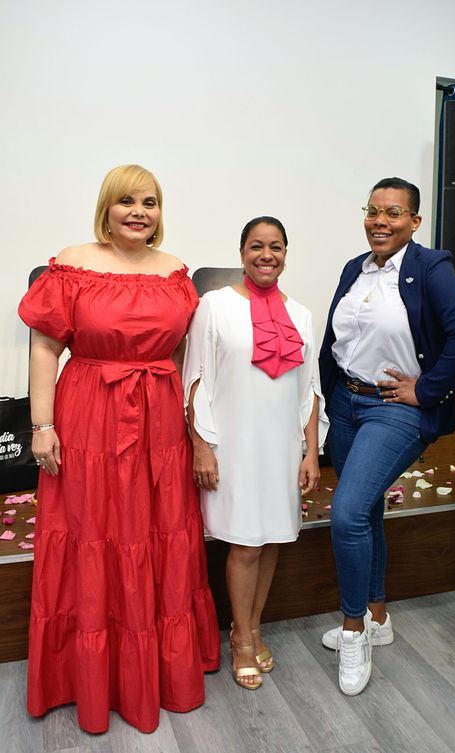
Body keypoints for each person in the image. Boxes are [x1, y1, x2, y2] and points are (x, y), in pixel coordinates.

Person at [18, 165, 220, 734]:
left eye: (150, 202)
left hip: (157, 418)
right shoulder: (72, 263)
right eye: (126, 201)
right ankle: (84, 677)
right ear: (106, 208)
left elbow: (182, 356)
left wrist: (187, 422)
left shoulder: (175, 270)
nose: (139, 212)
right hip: (87, 413)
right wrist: (42, 424)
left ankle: (156, 671)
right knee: (91, 530)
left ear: (161, 211)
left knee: (158, 531)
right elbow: (43, 348)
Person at [319, 177, 455, 695]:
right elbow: (337, 339)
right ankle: (379, 619)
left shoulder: (429, 267)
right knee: (366, 511)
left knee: (346, 513)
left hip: (394, 409)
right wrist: (327, 396)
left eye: (394, 213)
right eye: (373, 211)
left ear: (415, 222)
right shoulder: (355, 268)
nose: (380, 221)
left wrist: (429, 389)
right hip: (347, 402)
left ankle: (353, 633)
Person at [183, 216, 328, 690]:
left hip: (281, 448)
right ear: (241, 251)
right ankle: (242, 640)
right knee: (245, 543)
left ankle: (251, 627)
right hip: (235, 447)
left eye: (276, 247)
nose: (267, 255)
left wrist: (310, 453)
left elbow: (309, 390)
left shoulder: (302, 314)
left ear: (287, 253)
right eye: (256, 246)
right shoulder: (214, 305)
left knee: (270, 543)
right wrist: (202, 447)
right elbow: (195, 380)